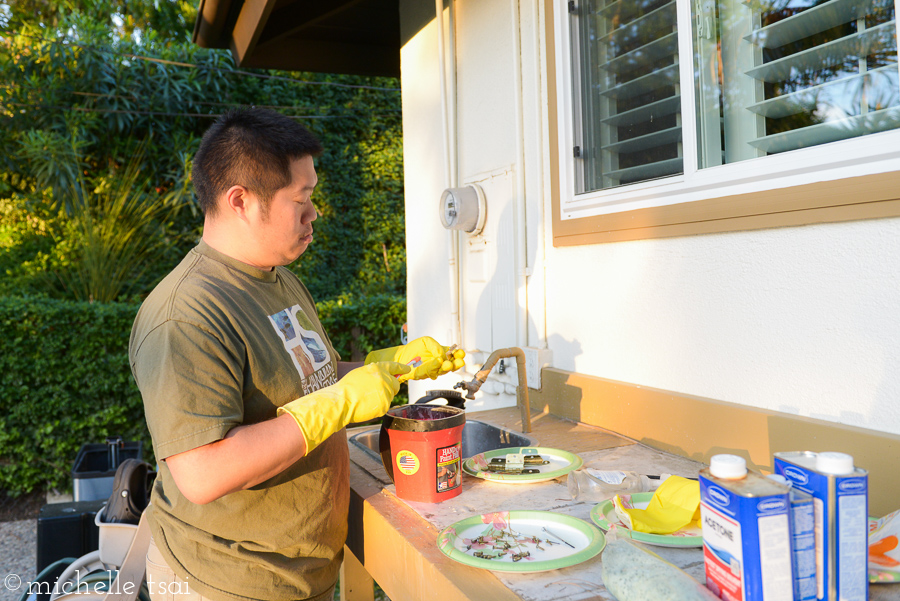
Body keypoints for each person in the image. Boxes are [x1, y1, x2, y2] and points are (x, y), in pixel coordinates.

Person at [129, 107, 465, 601]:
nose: (315, 213)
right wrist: (337, 405)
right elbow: (202, 474)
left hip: (302, 574)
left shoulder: (278, 277)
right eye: (301, 200)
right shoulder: (185, 314)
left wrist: (390, 366)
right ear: (241, 201)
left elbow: (315, 378)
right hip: (227, 583)